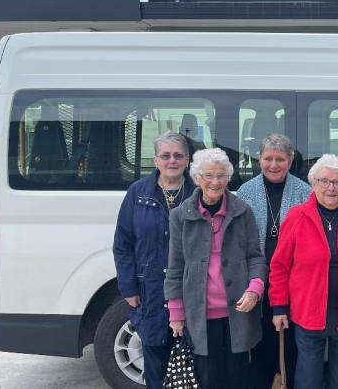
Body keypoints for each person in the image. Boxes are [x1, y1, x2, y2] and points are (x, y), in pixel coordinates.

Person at [269, 154, 338, 389]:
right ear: (314, 183)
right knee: (308, 377)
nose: (330, 188)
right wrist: (279, 307)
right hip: (307, 313)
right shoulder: (296, 217)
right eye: (324, 181)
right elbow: (279, 266)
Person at [164, 148, 267, 389]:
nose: (215, 182)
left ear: (228, 178)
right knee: (208, 378)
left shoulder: (243, 211)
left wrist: (255, 289)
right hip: (199, 314)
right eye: (208, 175)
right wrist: (176, 313)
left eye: (221, 175)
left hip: (238, 314)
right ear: (197, 178)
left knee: (237, 378)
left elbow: (256, 258)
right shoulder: (180, 216)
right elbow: (175, 267)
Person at [113, 131, 196, 389]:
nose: (172, 161)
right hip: (150, 291)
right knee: (155, 361)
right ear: (156, 160)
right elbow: (122, 245)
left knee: (191, 365)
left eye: (178, 155)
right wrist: (128, 288)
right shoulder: (137, 193)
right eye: (166, 155)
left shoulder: (197, 193)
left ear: (187, 160)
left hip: (189, 291)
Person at [236, 133, 311, 389]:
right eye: (268, 158)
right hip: (256, 278)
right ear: (259, 159)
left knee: (291, 340)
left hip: (293, 280)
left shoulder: (304, 191)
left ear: (290, 161)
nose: (273, 164)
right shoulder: (246, 191)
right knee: (261, 340)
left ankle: (288, 380)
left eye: (280, 159)